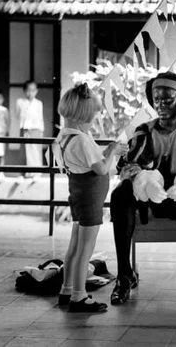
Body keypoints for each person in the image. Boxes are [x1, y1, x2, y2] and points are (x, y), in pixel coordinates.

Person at [109, 72, 176, 305]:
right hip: (150, 196)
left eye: (167, 100)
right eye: (157, 99)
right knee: (119, 195)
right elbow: (130, 164)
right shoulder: (144, 131)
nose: (160, 104)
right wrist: (144, 181)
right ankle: (124, 275)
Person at [54, 83, 128, 312]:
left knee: (75, 245)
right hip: (89, 198)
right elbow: (100, 169)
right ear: (82, 116)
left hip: (77, 195)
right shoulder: (82, 139)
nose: (94, 120)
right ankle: (79, 296)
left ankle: (66, 289)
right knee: (85, 249)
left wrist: (109, 151)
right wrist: (114, 151)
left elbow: (90, 161)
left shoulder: (65, 136)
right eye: (92, 116)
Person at [16, 80, 45, 180]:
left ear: (36, 91)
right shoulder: (20, 102)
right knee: (24, 151)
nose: (30, 93)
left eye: (33, 90)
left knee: (35, 151)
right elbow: (18, 115)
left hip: (36, 129)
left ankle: (36, 173)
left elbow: (40, 118)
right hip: (25, 128)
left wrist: (41, 131)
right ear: (24, 91)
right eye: (28, 90)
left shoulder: (38, 103)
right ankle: (24, 173)